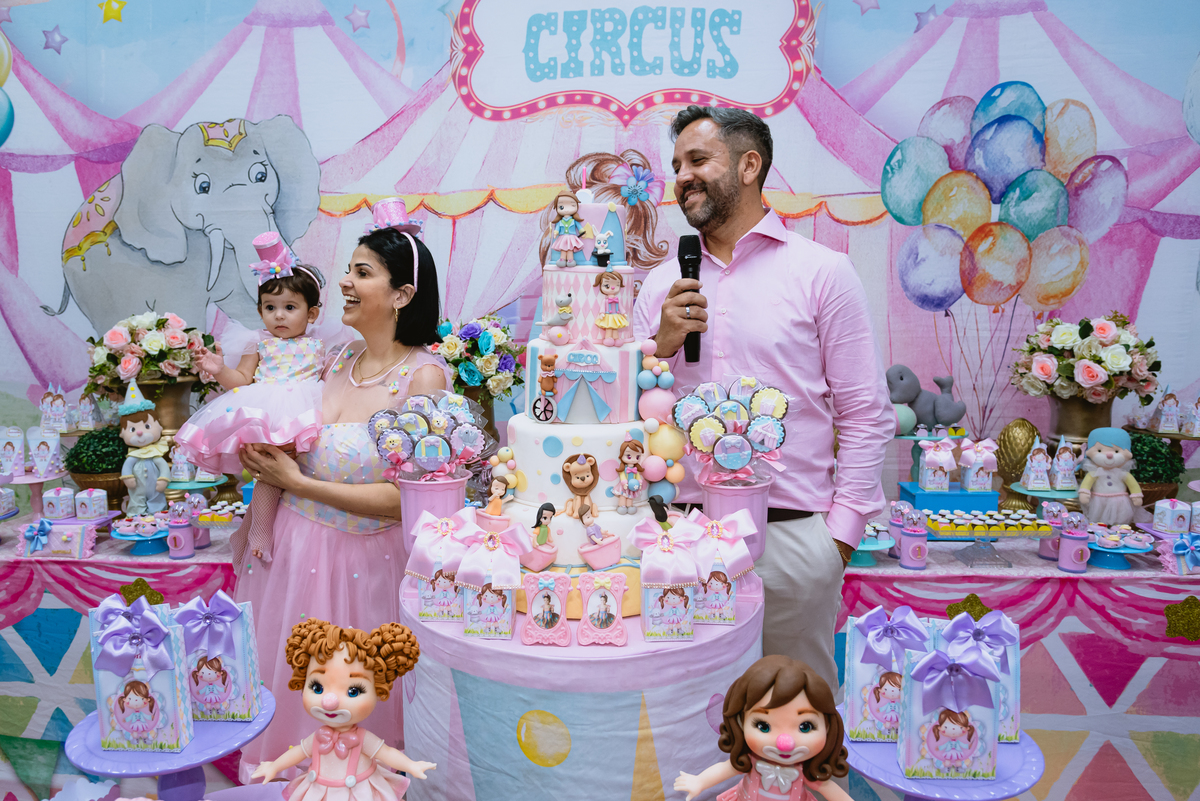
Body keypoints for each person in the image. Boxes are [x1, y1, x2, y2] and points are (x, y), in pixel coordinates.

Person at [632, 106, 892, 691]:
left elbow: (864, 412)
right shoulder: (659, 283)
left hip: (793, 535)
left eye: (698, 160)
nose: (683, 176)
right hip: (681, 534)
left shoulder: (823, 272)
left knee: (794, 712)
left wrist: (838, 537)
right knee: (685, 711)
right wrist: (661, 343)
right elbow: (628, 412)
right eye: (676, 166)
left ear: (749, 166)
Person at [234, 199, 451, 782]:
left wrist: (298, 481)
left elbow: (411, 498)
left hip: (368, 564)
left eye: (362, 272)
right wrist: (264, 458)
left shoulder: (424, 377)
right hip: (295, 553)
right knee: (296, 689)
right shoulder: (334, 361)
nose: (345, 283)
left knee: (359, 703)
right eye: (348, 271)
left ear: (402, 295)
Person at [176, 232, 325, 568]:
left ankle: (244, 532)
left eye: (290, 308)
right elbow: (241, 381)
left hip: (305, 410)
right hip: (268, 412)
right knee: (270, 469)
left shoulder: (319, 344)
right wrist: (217, 369)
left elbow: (329, 379)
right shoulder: (257, 342)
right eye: (270, 308)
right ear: (260, 311)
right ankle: (258, 530)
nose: (279, 316)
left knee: (301, 476)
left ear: (311, 314)